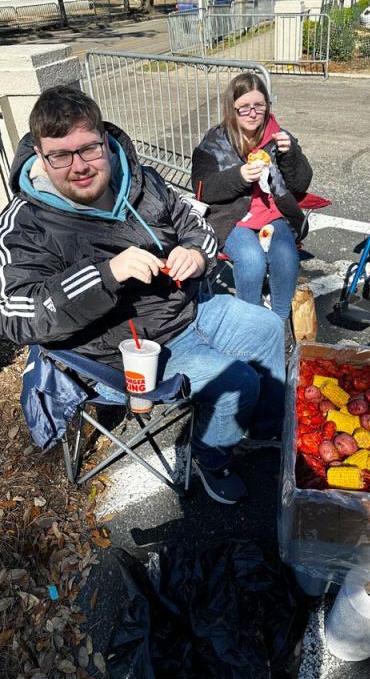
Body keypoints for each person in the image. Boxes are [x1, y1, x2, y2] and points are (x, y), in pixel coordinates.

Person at [0, 85, 286, 505]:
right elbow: (16, 314)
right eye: (60, 155)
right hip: (120, 351)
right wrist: (105, 274)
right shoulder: (26, 223)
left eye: (89, 149)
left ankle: (263, 429)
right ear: (42, 158)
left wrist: (196, 255)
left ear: (104, 140)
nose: (79, 166)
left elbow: (197, 224)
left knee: (267, 327)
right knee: (237, 382)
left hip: (189, 310)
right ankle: (212, 458)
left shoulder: (144, 180)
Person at [191, 73, 312, 325]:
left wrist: (291, 155)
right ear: (232, 108)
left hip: (272, 210)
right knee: (251, 259)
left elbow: (300, 183)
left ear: (267, 105)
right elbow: (202, 189)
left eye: (259, 105)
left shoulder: (278, 137)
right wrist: (240, 176)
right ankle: (249, 324)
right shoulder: (214, 142)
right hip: (232, 216)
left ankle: (278, 321)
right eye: (244, 107)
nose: (252, 113)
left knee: (286, 255)